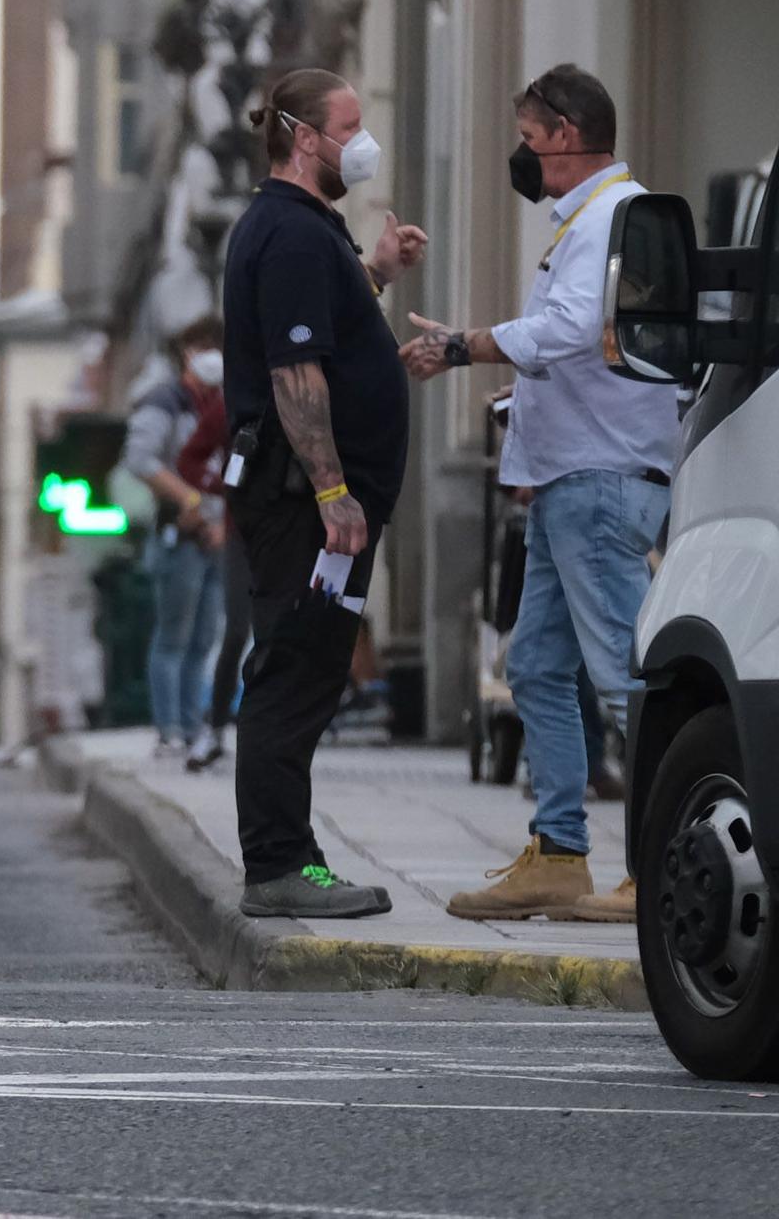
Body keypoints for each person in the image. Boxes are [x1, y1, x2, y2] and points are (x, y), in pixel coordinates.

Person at [401, 63, 677, 923]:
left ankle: (658, 867)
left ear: (563, 133)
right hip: (571, 484)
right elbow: (595, 353)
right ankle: (559, 854)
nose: (523, 156)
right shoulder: (595, 220)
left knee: (627, 684)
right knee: (537, 668)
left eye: (528, 139)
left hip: (595, 487)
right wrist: (523, 405)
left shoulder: (604, 220)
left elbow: (564, 330)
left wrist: (462, 345)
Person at [223, 68, 426, 919]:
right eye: (351, 125)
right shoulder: (295, 234)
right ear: (306, 138)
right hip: (309, 508)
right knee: (293, 673)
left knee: (309, 672)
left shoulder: (308, 231)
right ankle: (277, 867)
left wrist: (373, 274)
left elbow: (325, 337)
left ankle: (296, 858)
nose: (363, 140)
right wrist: (335, 493)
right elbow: (295, 373)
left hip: (315, 505)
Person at [122, 316, 227, 761]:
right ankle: (168, 729)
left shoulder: (223, 401)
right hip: (179, 535)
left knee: (205, 638)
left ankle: (191, 725)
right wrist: (189, 501)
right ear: (188, 353)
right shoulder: (164, 401)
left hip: (220, 535)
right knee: (174, 637)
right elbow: (140, 459)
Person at [172, 375, 244, 772]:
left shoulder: (306, 385)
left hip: (293, 530)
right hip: (243, 531)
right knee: (236, 630)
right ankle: (215, 728)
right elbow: (189, 458)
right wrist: (221, 487)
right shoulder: (232, 400)